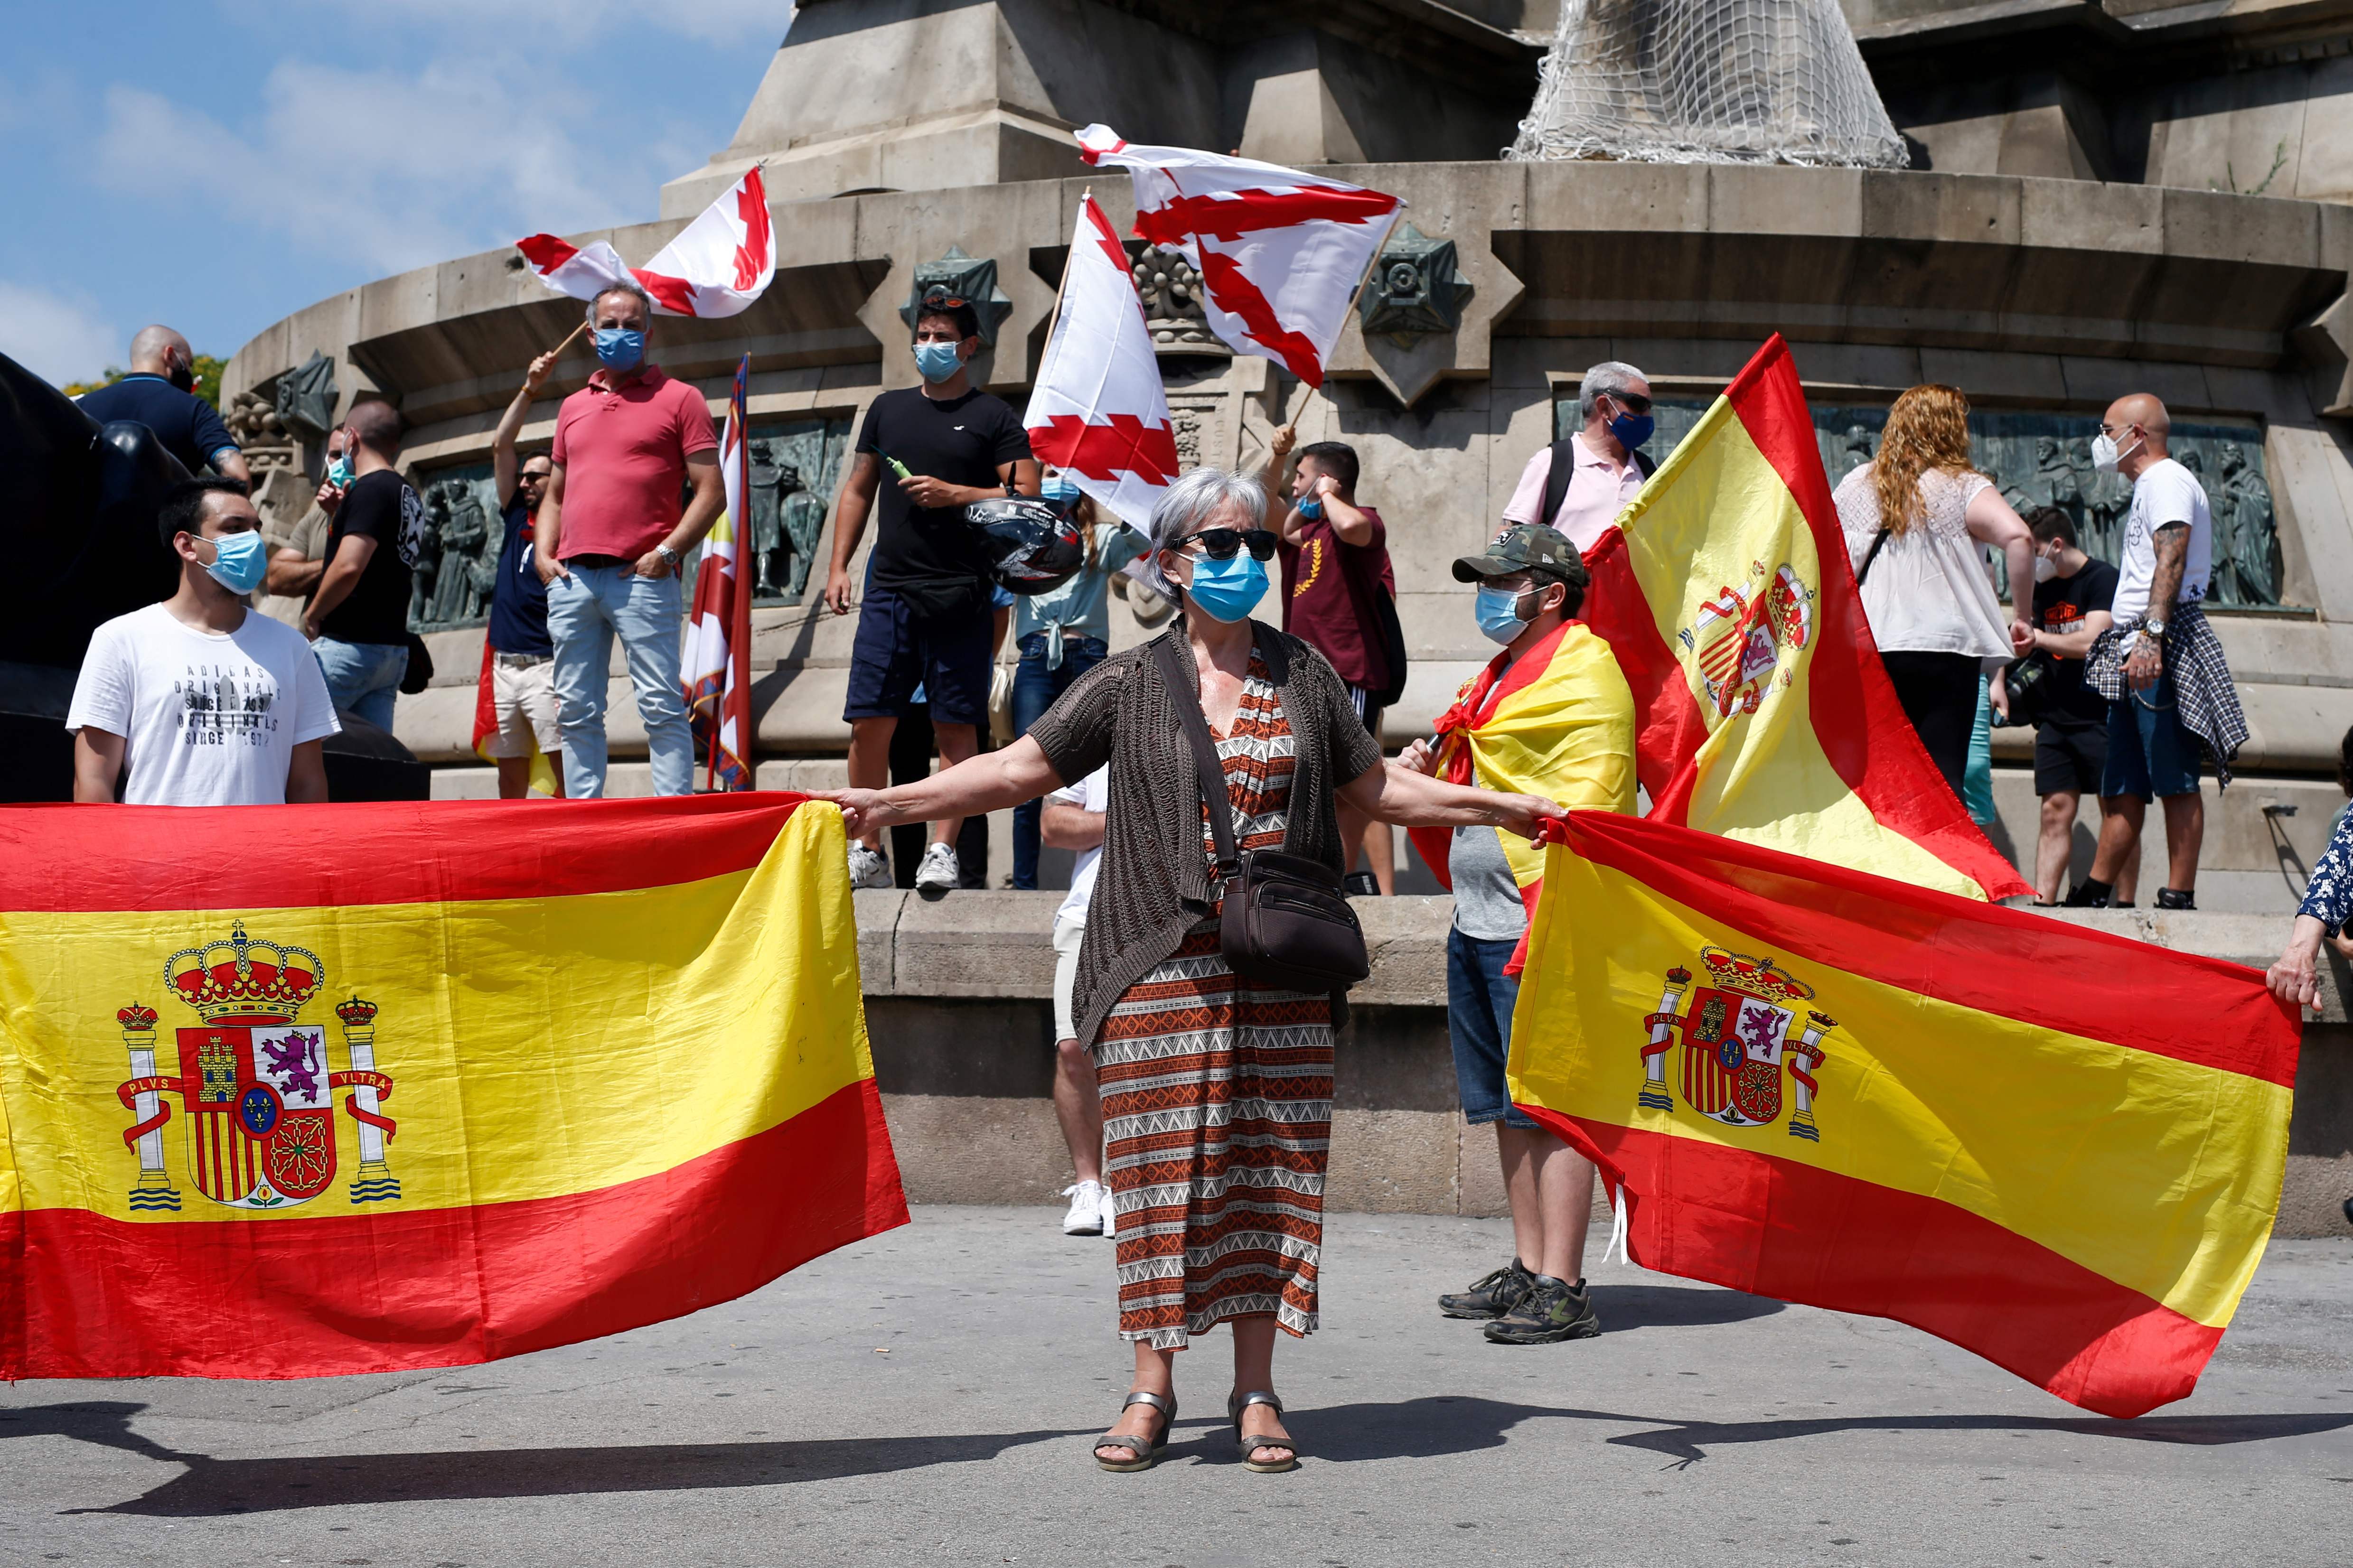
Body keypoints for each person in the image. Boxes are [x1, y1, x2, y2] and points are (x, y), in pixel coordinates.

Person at [823, 467, 1564, 1475]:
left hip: (1284, 965)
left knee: (1270, 1174)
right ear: (1169, 563)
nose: (1243, 564)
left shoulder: (1305, 675)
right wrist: (894, 803)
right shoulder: (1127, 682)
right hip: (1161, 964)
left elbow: (1379, 787)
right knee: (1161, 1176)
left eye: (1256, 547)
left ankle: (1256, 1390)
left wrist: (1502, 807)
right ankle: (1150, 1384)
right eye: (1219, 547)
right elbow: (1015, 770)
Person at [1402, 522, 1635, 1345]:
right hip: (1480, 915)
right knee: (1507, 1105)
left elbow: (1591, 796)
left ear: (1550, 593)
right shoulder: (1494, 677)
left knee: (1553, 1103)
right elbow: (1468, 762)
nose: (1487, 595)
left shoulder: (1585, 668)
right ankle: (1530, 1264)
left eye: (1503, 581)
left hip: (1543, 919)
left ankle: (1564, 1282)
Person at [824, 295, 1039, 892]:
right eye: (922, 334)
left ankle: (941, 850)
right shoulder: (887, 409)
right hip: (890, 588)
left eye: (942, 336)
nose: (929, 346)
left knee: (956, 728)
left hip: (962, 592)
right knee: (870, 721)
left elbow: (1026, 496)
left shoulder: (994, 416)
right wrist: (839, 566)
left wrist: (956, 494)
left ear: (970, 345)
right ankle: (867, 846)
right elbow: (858, 490)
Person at [534, 283, 723, 799]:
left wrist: (666, 554)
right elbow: (554, 493)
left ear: (649, 331)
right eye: (611, 325)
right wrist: (545, 558)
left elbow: (712, 492)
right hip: (572, 579)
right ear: (592, 335)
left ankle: (672, 817)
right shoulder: (572, 406)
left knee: (661, 703)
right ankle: (583, 817)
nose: (622, 334)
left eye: (632, 325)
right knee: (573, 709)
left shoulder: (682, 399)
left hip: (640, 578)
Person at [2071, 394, 2248, 911]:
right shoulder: (2150, 484)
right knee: (2122, 780)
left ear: (2137, 434)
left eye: (2107, 430)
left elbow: (2173, 548)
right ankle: (2095, 890)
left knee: (2173, 775)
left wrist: (2152, 635)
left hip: (2159, 644)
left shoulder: (2166, 480)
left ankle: (2180, 894)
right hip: (2136, 645)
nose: (2100, 441)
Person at [69, 478, 336, 804]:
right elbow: (93, 779)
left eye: (256, 528)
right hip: (155, 854)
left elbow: (308, 783)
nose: (253, 540)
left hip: (262, 853)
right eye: (234, 528)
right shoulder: (121, 640)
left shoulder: (292, 648)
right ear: (187, 545)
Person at [1830, 384, 2034, 799]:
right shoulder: (1962, 485)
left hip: (1868, 646)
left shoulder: (1855, 483)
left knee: (1871, 782)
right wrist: (2023, 618)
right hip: (1945, 649)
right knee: (1940, 783)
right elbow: (2019, 537)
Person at [1266, 432, 1401, 894]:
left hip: (1350, 672)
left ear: (1327, 480)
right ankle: (1317, 874)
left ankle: (1330, 880)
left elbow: (1352, 529)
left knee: (1352, 779)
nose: (1295, 486)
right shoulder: (1307, 531)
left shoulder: (1364, 523)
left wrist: (1325, 494)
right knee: (1307, 774)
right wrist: (1282, 458)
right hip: (1302, 674)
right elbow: (1275, 518)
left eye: (1301, 478)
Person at [1010, 474, 1146, 888]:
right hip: (1036, 657)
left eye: (1066, 478)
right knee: (1023, 772)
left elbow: (1141, 539)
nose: (1057, 484)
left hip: (1086, 656)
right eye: (1049, 476)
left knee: (1099, 767)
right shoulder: (1021, 537)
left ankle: (1100, 879)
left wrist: (1121, 496)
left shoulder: (1096, 539)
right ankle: (1023, 883)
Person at [1991, 507, 2124, 905]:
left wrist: (2040, 639)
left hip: (2101, 715)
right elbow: (2014, 640)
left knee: (2117, 814)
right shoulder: (2040, 588)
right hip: (2055, 717)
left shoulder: (2102, 578)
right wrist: (1998, 678)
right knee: (2054, 811)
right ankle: (2043, 904)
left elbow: (2090, 641)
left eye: (2032, 550)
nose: (2028, 561)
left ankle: (2127, 901)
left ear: (2056, 545)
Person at [305, 400, 424, 731]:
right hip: (390, 651)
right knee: (368, 761)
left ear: (352, 437)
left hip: (349, 647)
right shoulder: (407, 493)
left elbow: (349, 567)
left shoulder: (370, 490)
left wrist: (313, 614)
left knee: (301, 749)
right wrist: (340, 516)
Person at [484, 351, 563, 797]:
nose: (526, 483)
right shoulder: (516, 516)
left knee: (562, 765)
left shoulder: (568, 527)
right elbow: (501, 445)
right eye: (525, 476)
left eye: (537, 477)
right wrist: (529, 388)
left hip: (546, 666)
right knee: (509, 773)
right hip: (503, 668)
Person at [1041, 763, 1115, 1235]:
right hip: (1088, 913)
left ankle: (1132, 1187)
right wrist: (1132, 819)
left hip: (1176, 914)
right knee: (1073, 1049)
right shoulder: (1098, 731)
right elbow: (1054, 825)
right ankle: (1088, 1183)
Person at [1499, 360, 1654, 552]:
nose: (1648, 415)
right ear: (1605, 407)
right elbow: (1510, 539)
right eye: (1639, 404)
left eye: (1649, 407)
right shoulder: (1553, 462)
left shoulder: (1648, 470)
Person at [75, 326, 251, 485]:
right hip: (165, 519)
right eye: (188, 364)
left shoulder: (82, 407)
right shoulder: (194, 409)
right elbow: (238, 476)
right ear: (170, 355)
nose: (189, 373)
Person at [256, 427, 345, 630]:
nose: (341, 463)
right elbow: (277, 578)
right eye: (336, 456)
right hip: (316, 645)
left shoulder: (378, 507)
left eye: (348, 456)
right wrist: (334, 563)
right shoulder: (318, 517)